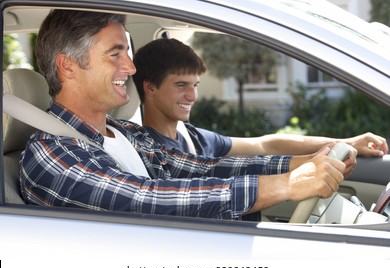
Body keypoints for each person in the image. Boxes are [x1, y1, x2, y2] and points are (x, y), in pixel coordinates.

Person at [19, 10, 356, 221]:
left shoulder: (125, 133)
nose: (132, 67)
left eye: (129, 53)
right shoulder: (52, 154)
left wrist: (306, 163)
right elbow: (146, 201)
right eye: (114, 54)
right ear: (68, 66)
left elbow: (202, 167)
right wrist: (285, 185)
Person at [132, 38, 388, 158]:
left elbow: (267, 145)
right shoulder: (156, 151)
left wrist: (347, 142)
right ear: (150, 87)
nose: (193, 95)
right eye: (181, 85)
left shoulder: (191, 136)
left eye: (196, 85)